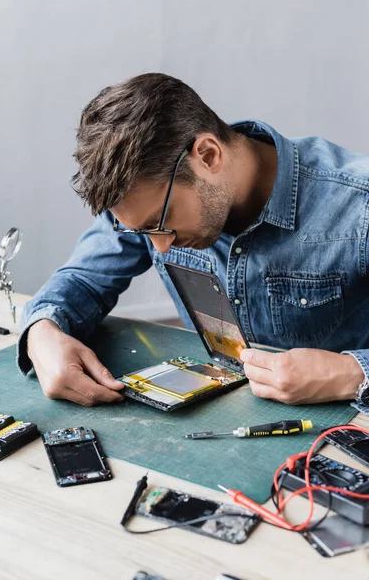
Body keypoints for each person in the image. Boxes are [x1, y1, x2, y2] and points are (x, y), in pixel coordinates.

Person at [19, 72, 369, 410]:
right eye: (142, 231)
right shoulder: (144, 203)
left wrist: (351, 375)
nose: (160, 247)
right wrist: (42, 332)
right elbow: (81, 279)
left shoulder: (358, 207)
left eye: (161, 222)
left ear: (208, 155)